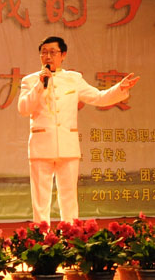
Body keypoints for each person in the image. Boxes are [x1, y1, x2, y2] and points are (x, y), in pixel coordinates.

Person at [17, 36, 139, 224]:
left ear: (63, 55)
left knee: (69, 197)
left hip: (68, 145)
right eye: (44, 52)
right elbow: (24, 109)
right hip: (41, 146)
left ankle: (70, 233)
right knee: (40, 199)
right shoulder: (30, 80)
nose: (48, 56)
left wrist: (119, 89)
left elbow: (98, 97)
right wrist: (39, 85)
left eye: (53, 52)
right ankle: (42, 236)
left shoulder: (73, 79)